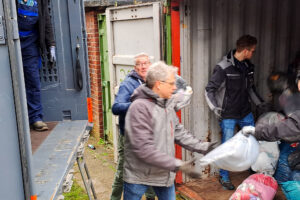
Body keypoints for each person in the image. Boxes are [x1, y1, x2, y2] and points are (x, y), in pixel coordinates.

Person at [123, 61, 215, 200]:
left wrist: (204, 147)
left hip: (163, 174)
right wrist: (178, 164)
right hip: (139, 175)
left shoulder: (166, 104)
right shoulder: (139, 108)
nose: (174, 87)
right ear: (159, 84)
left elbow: (178, 132)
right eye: (171, 83)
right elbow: (144, 149)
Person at [205, 35, 264, 190]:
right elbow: (209, 90)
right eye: (252, 51)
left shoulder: (248, 67)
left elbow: (251, 89)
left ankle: (254, 172)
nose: (253, 53)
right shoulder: (223, 67)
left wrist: (261, 104)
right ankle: (224, 176)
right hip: (229, 115)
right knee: (228, 147)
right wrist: (216, 109)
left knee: (253, 142)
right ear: (245, 51)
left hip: (245, 112)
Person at [110, 53, 156, 200]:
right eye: (140, 64)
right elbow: (116, 108)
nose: (143, 66)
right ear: (135, 67)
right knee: (123, 171)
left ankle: (150, 197)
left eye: (146, 63)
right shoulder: (127, 84)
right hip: (130, 136)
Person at [17, 0, 56, 131]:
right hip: (10, 43)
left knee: (33, 82)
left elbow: (46, 21)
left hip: (30, 45)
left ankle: (35, 118)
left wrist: (51, 45)